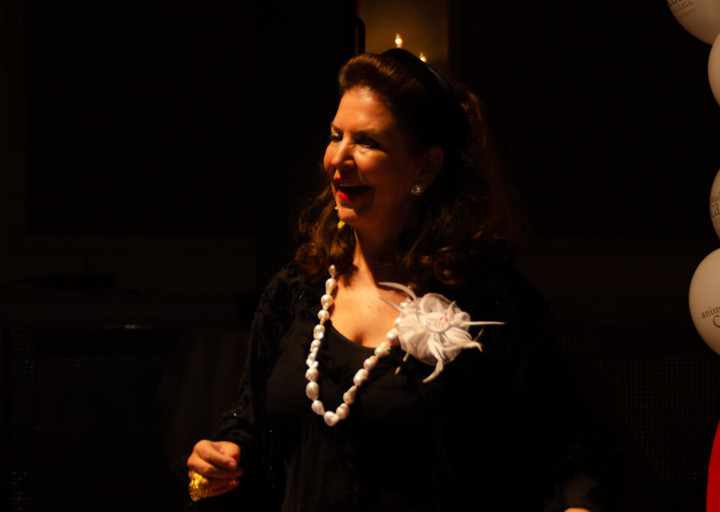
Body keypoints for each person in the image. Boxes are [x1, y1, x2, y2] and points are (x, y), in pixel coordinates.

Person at [186, 48, 611, 511]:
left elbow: (568, 452)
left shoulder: (489, 300)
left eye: (366, 142)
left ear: (425, 167)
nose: (338, 158)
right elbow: (250, 423)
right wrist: (221, 456)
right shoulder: (296, 289)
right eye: (335, 136)